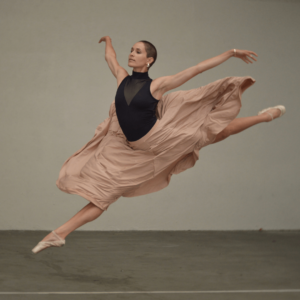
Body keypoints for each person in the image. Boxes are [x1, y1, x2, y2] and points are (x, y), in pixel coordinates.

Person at [32, 37, 285, 254]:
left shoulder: (157, 85)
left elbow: (197, 69)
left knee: (212, 131)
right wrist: (108, 40)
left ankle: (266, 116)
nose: (132, 53)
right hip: (129, 149)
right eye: (131, 50)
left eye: (138, 51)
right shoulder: (121, 79)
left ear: (149, 60)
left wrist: (231, 53)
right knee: (105, 193)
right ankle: (59, 234)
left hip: (161, 139)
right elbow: (110, 59)